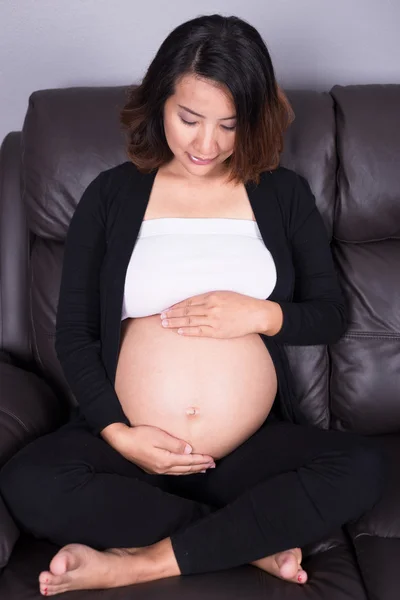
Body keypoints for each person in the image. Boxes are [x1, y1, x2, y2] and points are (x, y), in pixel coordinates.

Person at [0, 13, 386, 596]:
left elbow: (330, 314)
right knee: (28, 480)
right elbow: (74, 333)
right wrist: (117, 433)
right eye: (189, 118)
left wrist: (260, 314)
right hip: (132, 449)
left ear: (252, 122)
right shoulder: (110, 195)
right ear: (160, 101)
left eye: (229, 125)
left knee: (362, 467)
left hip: (246, 453)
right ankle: (240, 542)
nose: (206, 145)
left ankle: (143, 562)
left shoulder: (283, 195)